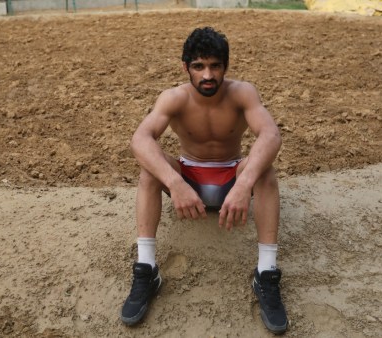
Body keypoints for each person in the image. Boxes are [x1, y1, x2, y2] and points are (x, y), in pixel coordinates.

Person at [120, 27, 288, 334]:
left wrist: (242, 183)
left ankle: (266, 271)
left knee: (265, 173)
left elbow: (271, 135)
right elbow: (140, 139)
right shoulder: (173, 98)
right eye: (198, 66)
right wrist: (175, 182)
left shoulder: (243, 93)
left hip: (231, 178)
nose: (207, 75)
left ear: (226, 66)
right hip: (190, 177)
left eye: (215, 66)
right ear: (186, 67)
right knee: (149, 171)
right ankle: (147, 269)